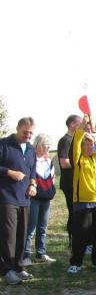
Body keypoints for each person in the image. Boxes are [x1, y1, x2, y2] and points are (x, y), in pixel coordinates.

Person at [69, 115, 96, 273]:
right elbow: (75, 142)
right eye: (85, 144)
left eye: (91, 143)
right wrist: (82, 127)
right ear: (81, 146)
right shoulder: (78, 160)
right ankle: (76, 263)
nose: (89, 146)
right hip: (83, 202)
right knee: (81, 234)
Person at [1, 117, 37, 284]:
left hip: (25, 198)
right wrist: (9, 172)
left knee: (22, 234)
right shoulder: (4, 144)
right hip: (6, 197)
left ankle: (18, 266)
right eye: (25, 132)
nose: (28, 135)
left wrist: (33, 184)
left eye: (31, 133)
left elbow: (32, 170)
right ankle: (7, 270)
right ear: (17, 128)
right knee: (9, 235)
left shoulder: (31, 149)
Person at [22, 133, 57, 267]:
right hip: (34, 198)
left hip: (46, 197)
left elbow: (52, 178)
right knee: (31, 227)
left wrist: (50, 192)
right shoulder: (31, 159)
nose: (48, 147)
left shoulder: (48, 161)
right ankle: (25, 255)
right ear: (39, 145)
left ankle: (41, 253)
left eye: (49, 145)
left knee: (43, 226)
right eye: (46, 145)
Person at [57, 114, 82, 247]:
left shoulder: (77, 140)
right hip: (69, 183)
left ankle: (82, 241)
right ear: (72, 124)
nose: (82, 126)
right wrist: (81, 164)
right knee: (74, 212)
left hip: (78, 183)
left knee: (81, 212)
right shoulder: (65, 141)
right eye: (80, 123)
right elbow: (64, 162)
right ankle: (73, 241)